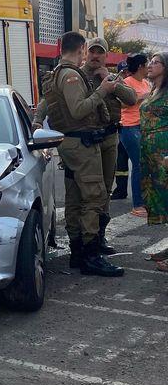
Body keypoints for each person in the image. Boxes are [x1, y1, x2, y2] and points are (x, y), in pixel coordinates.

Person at [40, 31, 124, 277]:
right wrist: (103, 91)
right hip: (81, 144)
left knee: (76, 196)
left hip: (72, 143)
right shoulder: (70, 75)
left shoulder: (57, 73)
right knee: (94, 197)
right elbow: (78, 110)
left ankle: (77, 251)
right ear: (82, 49)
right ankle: (90, 254)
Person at [81, 38, 136, 253]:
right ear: (85, 52)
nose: (95, 56)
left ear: (106, 55)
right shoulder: (77, 75)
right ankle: (83, 240)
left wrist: (109, 81)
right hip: (86, 140)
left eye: (100, 53)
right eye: (92, 52)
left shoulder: (112, 76)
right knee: (87, 191)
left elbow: (131, 98)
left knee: (105, 187)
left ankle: (100, 237)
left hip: (109, 138)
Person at [119, 53, 150, 217]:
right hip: (130, 127)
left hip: (144, 126)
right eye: (147, 64)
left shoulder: (146, 82)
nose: (149, 67)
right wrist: (141, 97)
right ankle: (137, 204)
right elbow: (122, 104)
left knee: (146, 164)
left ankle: (147, 201)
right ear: (140, 66)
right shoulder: (126, 82)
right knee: (138, 164)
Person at [140, 52, 168, 229]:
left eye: (155, 62)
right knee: (160, 197)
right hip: (150, 153)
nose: (149, 65)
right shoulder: (152, 90)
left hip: (164, 153)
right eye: (150, 61)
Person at [112, 61, 131, 200]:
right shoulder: (117, 86)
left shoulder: (134, 83)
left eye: (128, 71)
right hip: (121, 127)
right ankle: (121, 190)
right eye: (123, 72)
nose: (126, 74)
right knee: (121, 163)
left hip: (132, 127)